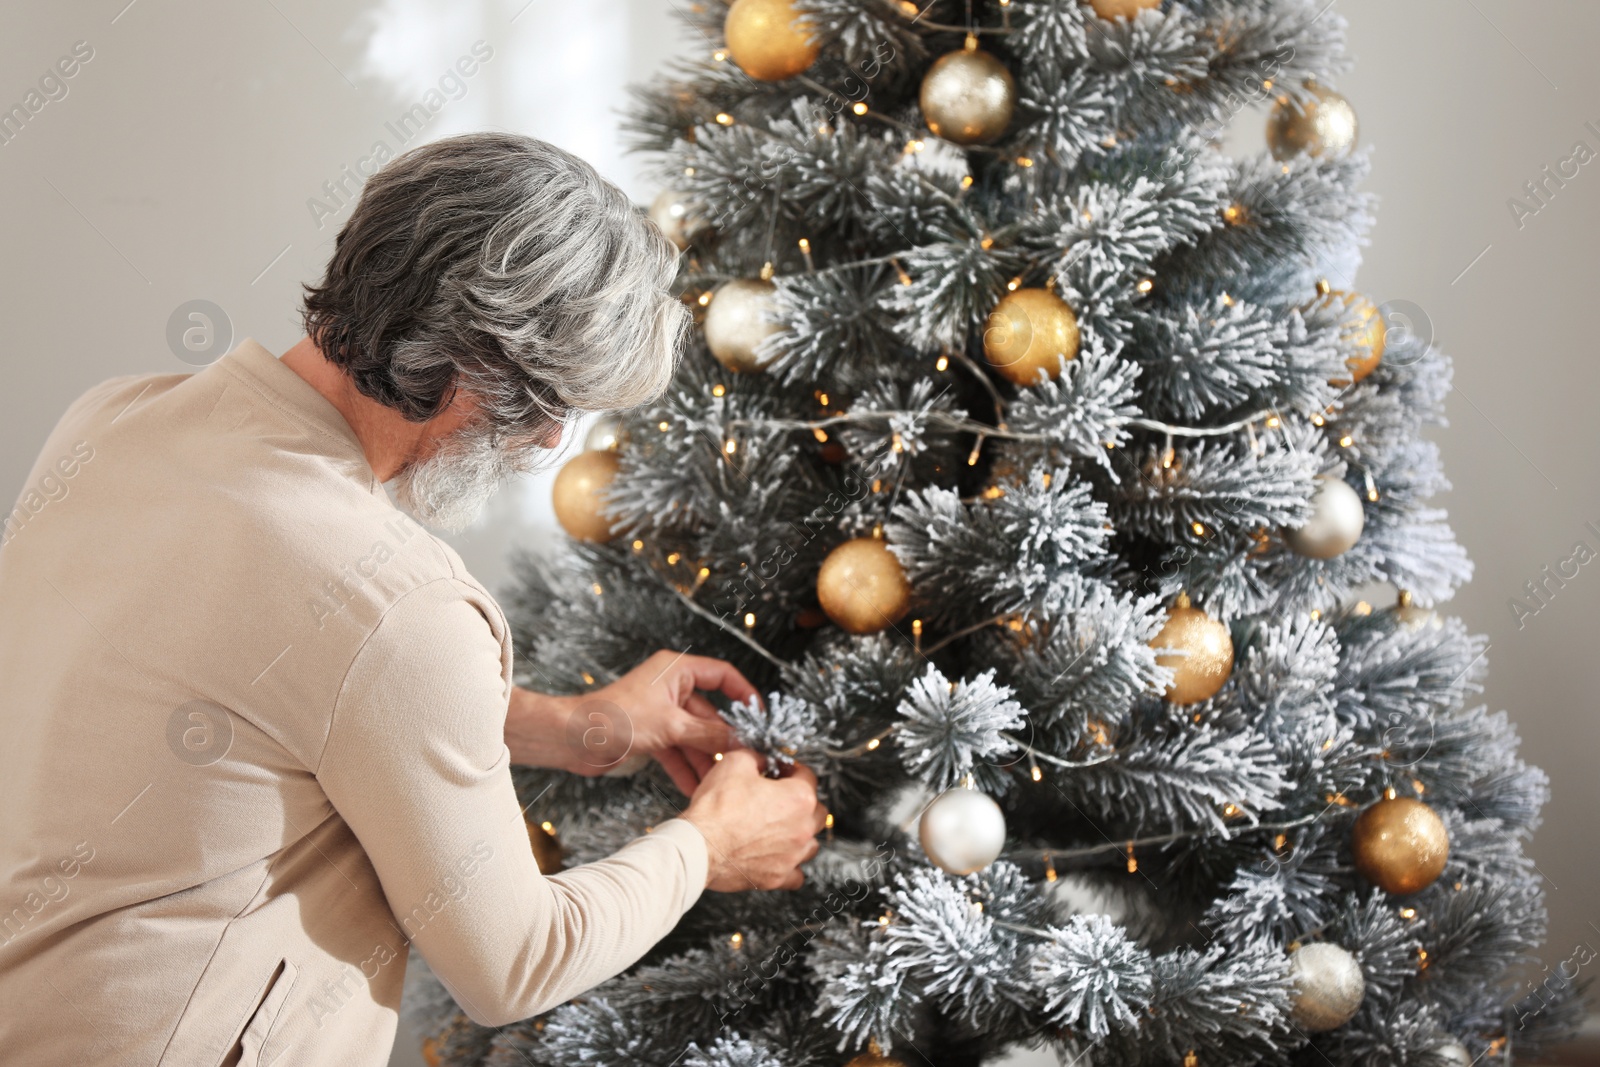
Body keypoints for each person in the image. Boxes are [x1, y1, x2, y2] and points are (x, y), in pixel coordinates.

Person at [0, 132, 824, 1066]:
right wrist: (706, 846)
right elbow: (514, 962)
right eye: (558, 403)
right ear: (474, 365)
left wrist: (564, 725)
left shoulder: (116, 420)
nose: (550, 441)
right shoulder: (395, 602)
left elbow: (273, 694)